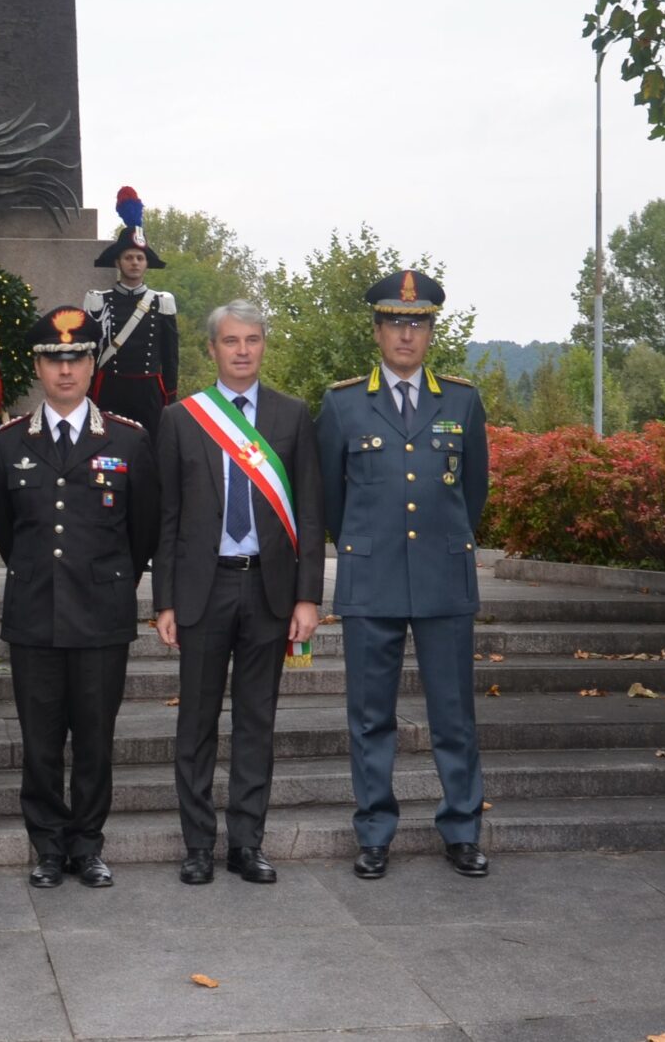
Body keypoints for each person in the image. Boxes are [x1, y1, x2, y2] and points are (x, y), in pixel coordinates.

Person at [315, 270, 491, 881]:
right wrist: (362, 546)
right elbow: (331, 504)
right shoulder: (341, 404)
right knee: (370, 716)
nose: (406, 335)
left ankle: (462, 829)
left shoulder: (462, 401)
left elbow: (475, 492)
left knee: (453, 714)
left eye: (418, 324)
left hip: (443, 579)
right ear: (377, 330)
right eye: (396, 323)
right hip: (373, 577)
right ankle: (374, 833)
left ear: (431, 333)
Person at [0, 306, 160, 889]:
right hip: (35, 613)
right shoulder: (8, 442)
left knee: (94, 739)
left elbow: (142, 533)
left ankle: (87, 845)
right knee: (39, 743)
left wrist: (108, 582)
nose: (66, 370)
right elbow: (8, 531)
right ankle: (47, 847)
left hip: (101, 616)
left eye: (78, 358)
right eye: (55, 359)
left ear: (93, 365)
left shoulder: (129, 440)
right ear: (38, 366)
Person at [153, 301, 325, 885]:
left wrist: (308, 597)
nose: (243, 350)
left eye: (253, 339)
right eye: (231, 341)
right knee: (196, 724)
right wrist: (165, 601)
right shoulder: (181, 419)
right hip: (205, 589)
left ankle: (246, 844)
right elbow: (167, 518)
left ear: (264, 345)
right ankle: (198, 845)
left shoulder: (292, 415)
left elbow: (310, 511)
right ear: (212, 348)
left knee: (257, 721)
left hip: (270, 590)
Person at [85, 185, 179, 443]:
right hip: (110, 388)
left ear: (147, 263)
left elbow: (170, 358)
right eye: (129, 257)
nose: (134, 262)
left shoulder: (162, 302)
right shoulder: (98, 301)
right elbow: (91, 351)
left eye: (139, 257)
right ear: (118, 262)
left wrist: (170, 397)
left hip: (149, 392)